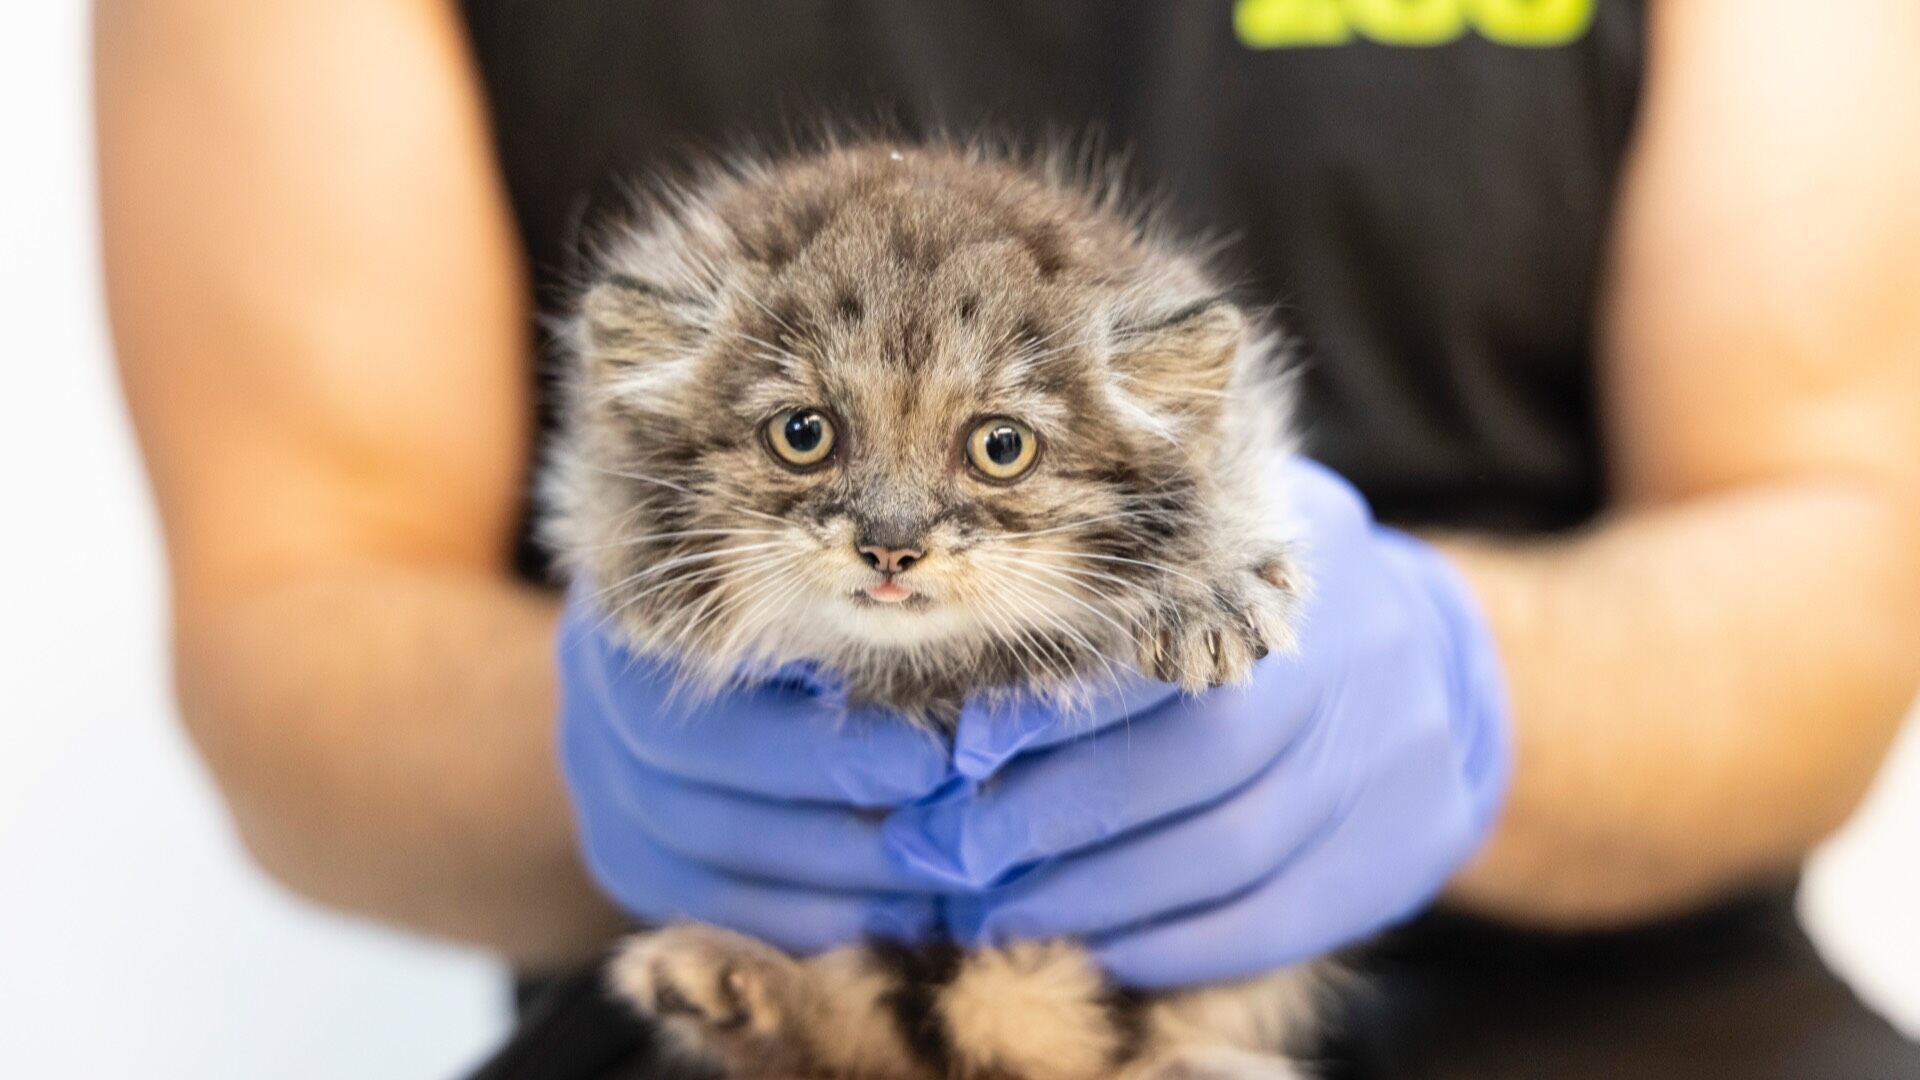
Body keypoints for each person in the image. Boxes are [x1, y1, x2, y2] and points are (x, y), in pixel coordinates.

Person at [98, 1, 1920, 1077]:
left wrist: (1462, 696)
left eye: (973, 453)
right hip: (732, 1007)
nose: (893, 540)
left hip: (1647, 1019)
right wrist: (599, 765)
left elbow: (1845, 541)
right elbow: (293, 586)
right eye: (810, 441)